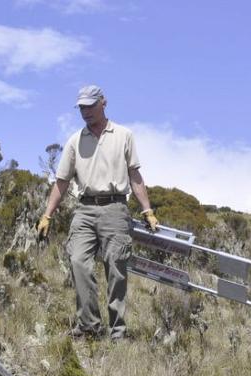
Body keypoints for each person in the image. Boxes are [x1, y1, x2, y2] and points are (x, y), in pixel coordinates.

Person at [37, 85, 159, 341]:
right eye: (81, 107)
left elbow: (134, 175)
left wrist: (147, 210)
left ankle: (118, 333)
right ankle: (89, 327)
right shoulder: (75, 140)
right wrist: (47, 214)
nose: (85, 112)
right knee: (78, 261)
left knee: (116, 268)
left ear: (103, 103)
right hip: (85, 209)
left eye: (90, 106)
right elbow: (61, 181)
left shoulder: (124, 135)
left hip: (115, 208)